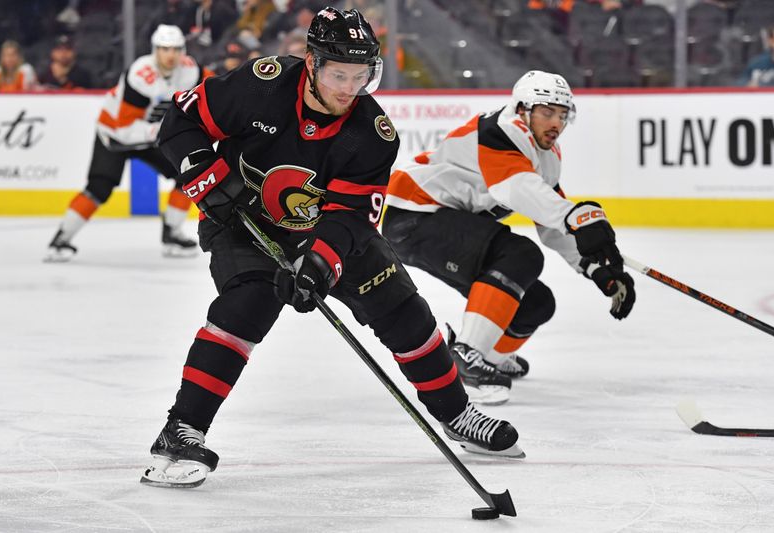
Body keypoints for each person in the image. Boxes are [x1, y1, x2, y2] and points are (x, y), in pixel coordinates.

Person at [140, 7, 524, 489]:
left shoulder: (373, 133)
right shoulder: (262, 84)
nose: (348, 87)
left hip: (328, 232)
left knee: (404, 311)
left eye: (360, 75)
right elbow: (182, 118)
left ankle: (457, 414)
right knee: (247, 305)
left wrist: (319, 262)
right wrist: (204, 175)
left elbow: (350, 217)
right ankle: (180, 432)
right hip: (243, 222)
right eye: (339, 74)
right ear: (312, 64)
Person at [382, 70, 636, 406]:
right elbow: (515, 188)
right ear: (522, 109)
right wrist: (572, 216)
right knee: (520, 255)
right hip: (415, 216)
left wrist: (594, 268)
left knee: (535, 303)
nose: (556, 123)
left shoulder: (546, 154)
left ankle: (490, 357)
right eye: (547, 112)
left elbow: (551, 223)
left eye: (562, 115)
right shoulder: (500, 130)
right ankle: (466, 357)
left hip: (441, 223)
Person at [45, 25, 209, 262]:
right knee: (99, 188)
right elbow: (125, 128)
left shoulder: (191, 70)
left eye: (175, 49)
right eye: (164, 49)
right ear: (155, 50)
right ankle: (61, 239)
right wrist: (168, 130)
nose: (170, 55)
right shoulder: (141, 75)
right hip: (116, 136)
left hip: (151, 134)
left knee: (189, 173)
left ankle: (172, 233)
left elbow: (215, 92)